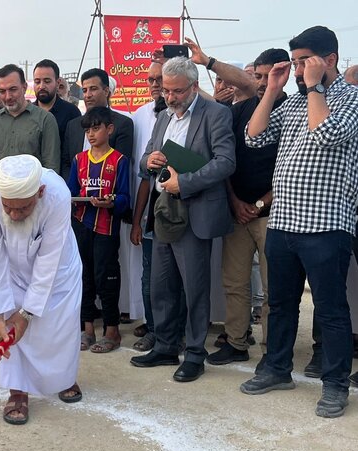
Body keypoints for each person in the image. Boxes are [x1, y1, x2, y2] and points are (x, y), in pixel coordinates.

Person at [240, 26, 358, 418]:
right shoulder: (291, 103)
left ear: (330, 60)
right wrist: (272, 89)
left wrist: (314, 89)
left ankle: (336, 385)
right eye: (294, 62)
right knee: (281, 303)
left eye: (305, 61)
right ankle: (277, 368)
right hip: (284, 222)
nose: (298, 69)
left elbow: (325, 134)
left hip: (327, 224)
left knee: (330, 310)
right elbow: (254, 137)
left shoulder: (351, 99)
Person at [130, 57, 236, 382]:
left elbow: (226, 162)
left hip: (196, 210)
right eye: (166, 90)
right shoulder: (162, 116)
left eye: (177, 91)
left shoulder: (215, 113)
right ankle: (164, 346)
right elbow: (143, 162)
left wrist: (185, 183)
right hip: (164, 210)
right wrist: (151, 161)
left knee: (194, 289)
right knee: (162, 285)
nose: (170, 97)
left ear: (193, 86)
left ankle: (193, 354)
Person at [187, 47, 290, 369]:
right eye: (256, 76)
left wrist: (259, 204)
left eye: (266, 76)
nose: (258, 82)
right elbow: (225, 162)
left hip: (274, 214)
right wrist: (236, 202)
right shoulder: (237, 111)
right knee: (234, 283)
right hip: (238, 211)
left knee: (276, 289)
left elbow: (289, 169)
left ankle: (273, 350)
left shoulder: (290, 110)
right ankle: (236, 342)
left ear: (283, 75)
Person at [0, 154, 83, 425]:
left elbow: (49, 260)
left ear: (40, 192)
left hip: (57, 270)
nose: (13, 214)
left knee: (58, 326)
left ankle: (63, 378)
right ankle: (17, 391)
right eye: (8, 207)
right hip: (11, 269)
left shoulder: (57, 195)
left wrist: (28, 313)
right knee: (10, 331)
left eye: (22, 208)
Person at [68, 107, 130, 353]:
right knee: (83, 276)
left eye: (96, 128)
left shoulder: (120, 160)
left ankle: (112, 330)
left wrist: (112, 202)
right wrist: (78, 199)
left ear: (110, 129)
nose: (91, 134)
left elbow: (126, 197)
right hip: (82, 225)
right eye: (87, 130)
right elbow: (70, 192)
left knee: (106, 276)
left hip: (107, 227)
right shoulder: (79, 159)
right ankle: (87, 329)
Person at [128, 60, 171, 352]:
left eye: (162, 81)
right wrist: (137, 220)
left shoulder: (202, 117)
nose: (155, 86)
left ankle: (174, 332)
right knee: (150, 275)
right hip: (153, 214)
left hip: (183, 214)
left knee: (175, 280)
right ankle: (155, 329)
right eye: (151, 80)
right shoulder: (151, 120)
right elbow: (145, 174)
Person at [61, 68, 134, 181]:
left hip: (107, 194)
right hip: (76, 195)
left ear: (106, 91)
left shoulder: (122, 123)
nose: (88, 95)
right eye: (84, 90)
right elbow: (66, 164)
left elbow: (121, 165)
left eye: (93, 89)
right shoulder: (73, 125)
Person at [0, 64, 60, 171]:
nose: (8, 97)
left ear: (24, 87)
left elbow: (51, 166)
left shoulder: (45, 119)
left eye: (13, 89)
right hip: (0, 186)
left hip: (36, 186)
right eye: (2, 91)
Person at [32, 59, 81, 148]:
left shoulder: (71, 112)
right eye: (37, 81)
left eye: (47, 81)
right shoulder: (27, 113)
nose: (41, 86)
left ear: (57, 83)